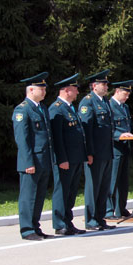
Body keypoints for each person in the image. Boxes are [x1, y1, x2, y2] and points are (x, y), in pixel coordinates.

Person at [12, 72, 55, 241]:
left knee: (39, 196)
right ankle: (27, 228)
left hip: (43, 160)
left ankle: (35, 226)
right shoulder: (22, 110)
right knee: (28, 196)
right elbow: (22, 140)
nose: (44, 91)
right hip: (31, 161)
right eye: (41, 88)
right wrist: (28, 162)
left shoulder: (42, 108)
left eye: (44, 88)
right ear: (30, 89)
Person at [49, 73, 87, 235]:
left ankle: (68, 221)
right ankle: (59, 223)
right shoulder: (56, 109)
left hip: (76, 158)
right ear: (66, 90)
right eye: (75, 89)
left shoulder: (69, 108)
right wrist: (62, 159)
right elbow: (57, 138)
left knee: (71, 192)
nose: (78, 92)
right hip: (65, 159)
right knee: (62, 191)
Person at [79, 69, 115, 231]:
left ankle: (100, 218)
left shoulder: (105, 101)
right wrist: (89, 152)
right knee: (93, 187)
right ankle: (91, 219)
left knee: (103, 187)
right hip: (95, 153)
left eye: (106, 84)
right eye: (103, 84)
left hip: (107, 152)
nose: (106, 87)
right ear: (94, 86)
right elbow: (87, 130)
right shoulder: (87, 102)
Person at [108, 80, 133, 218]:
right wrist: (119, 135)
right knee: (113, 180)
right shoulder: (109, 106)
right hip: (115, 148)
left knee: (123, 181)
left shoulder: (124, 107)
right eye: (125, 94)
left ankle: (121, 208)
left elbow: (129, 125)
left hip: (125, 147)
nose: (127, 97)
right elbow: (108, 128)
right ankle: (108, 210)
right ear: (117, 91)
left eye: (128, 94)